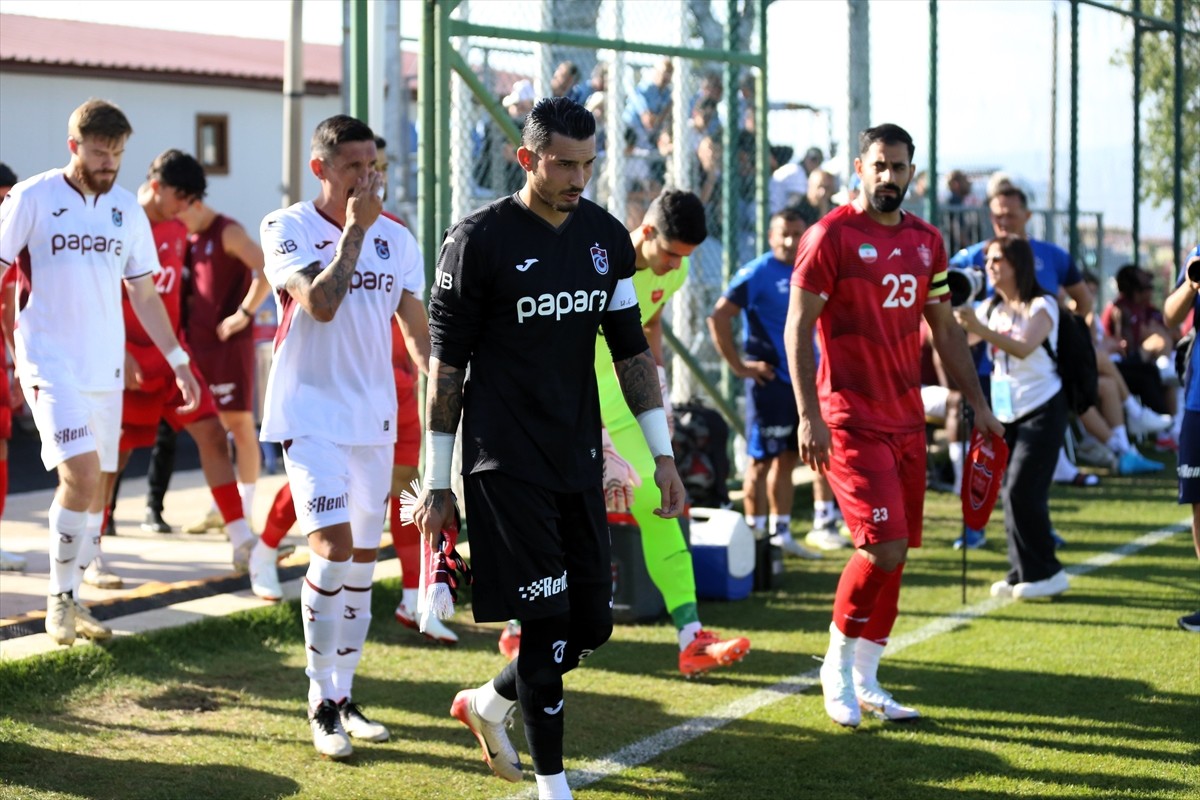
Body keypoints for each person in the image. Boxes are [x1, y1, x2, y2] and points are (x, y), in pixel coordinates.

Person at [414, 97, 684, 799]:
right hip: (504, 463)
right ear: (526, 157)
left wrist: (662, 458)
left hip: (577, 459)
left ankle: (489, 703)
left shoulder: (603, 237)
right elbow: (446, 370)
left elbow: (631, 353)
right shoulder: (477, 240)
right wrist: (437, 480)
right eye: (564, 163)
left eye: (587, 164)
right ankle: (552, 786)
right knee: (543, 621)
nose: (577, 177)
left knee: (591, 625)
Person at [785, 123, 1003, 728]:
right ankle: (834, 665)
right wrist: (809, 414)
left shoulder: (927, 241)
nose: (889, 177)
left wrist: (979, 405)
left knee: (898, 553)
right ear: (860, 167)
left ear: (912, 172)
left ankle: (868, 678)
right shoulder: (828, 237)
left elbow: (946, 329)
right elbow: (797, 328)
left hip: (907, 418)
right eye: (878, 165)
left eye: (899, 167)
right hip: (850, 418)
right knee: (881, 548)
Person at [258, 115, 429, 759]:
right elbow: (320, 302)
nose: (368, 178)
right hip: (308, 416)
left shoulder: (399, 237)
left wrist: (445, 393)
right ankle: (319, 699)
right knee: (328, 550)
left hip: (374, 421)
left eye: (373, 165)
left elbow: (417, 335)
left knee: (362, 561)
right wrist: (355, 231)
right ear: (320, 169)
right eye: (354, 166)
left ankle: (346, 693)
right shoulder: (288, 227)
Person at [0, 99, 200, 646]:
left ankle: (73, 595)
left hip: (103, 368)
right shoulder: (33, 197)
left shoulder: (126, 212)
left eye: (117, 152)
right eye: (99, 150)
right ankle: (59, 602)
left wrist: (178, 360)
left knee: (94, 491)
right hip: (49, 361)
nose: (109, 161)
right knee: (81, 477)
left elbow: (143, 291)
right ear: (74, 146)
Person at [590, 188, 749, 676]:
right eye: (672, 254)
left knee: (663, 504)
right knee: (555, 514)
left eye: (686, 257)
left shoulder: (672, 269)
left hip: (623, 410)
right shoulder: (597, 263)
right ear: (647, 232)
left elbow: (650, 320)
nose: (676, 266)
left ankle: (690, 637)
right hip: (572, 409)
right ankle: (517, 626)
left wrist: (654, 379)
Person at [94, 151, 264, 597]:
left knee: (212, 432)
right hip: (125, 357)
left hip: (172, 354)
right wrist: (118, 349)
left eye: (190, 198)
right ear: (155, 182)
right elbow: (100, 294)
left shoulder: (179, 226)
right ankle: (90, 550)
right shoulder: (119, 220)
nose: (183, 205)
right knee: (111, 458)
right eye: (180, 195)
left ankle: (241, 538)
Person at [949, 184, 1093, 549]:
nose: (1002, 221)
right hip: (988, 376)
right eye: (996, 214)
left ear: (1028, 215)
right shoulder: (974, 255)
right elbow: (949, 300)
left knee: (1028, 472)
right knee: (984, 461)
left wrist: (1058, 334)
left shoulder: (1052, 256)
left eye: (1010, 214)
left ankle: (1037, 533)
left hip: (1037, 386)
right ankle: (975, 527)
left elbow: (1083, 302)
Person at [709, 205, 835, 556]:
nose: (791, 240)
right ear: (771, 235)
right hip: (768, 383)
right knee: (760, 462)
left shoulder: (810, 269)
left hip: (802, 381)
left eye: (798, 233)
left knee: (788, 460)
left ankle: (780, 535)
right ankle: (753, 538)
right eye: (785, 233)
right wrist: (740, 366)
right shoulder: (757, 272)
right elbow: (719, 316)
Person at [955, 235, 1070, 600]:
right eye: (987, 260)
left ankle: (1048, 572)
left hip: (1044, 406)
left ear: (1018, 265)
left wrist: (980, 327)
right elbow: (956, 341)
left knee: (1023, 488)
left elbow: (1022, 347)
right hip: (1007, 413)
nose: (989, 267)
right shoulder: (991, 308)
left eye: (997, 260)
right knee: (1009, 491)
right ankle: (1021, 570)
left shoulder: (1043, 305)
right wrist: (950, 315)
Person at [172, 196, 271, 535]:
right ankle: (222, 508)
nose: (176, 219)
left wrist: (244, 313)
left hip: (230, 347)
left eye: (178, 210)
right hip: (199, 348)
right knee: (212, 432)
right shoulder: (191, 238)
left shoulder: (227, 231)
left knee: (240, 426)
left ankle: (244, 510)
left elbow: (267, 269)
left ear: (194, 203)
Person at [1161, 244, 1200, 632]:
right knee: (1199, 502)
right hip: (1198, 398)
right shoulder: (1198, 251)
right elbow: (1170, 316)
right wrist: (1190, 284)